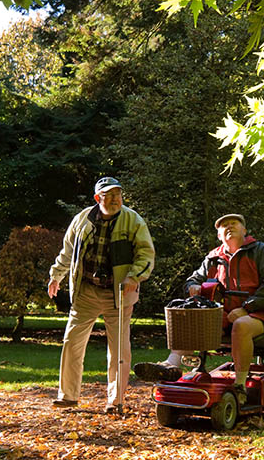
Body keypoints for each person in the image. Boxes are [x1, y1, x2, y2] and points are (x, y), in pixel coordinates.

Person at [134, 214, 264, 404]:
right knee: (190, 314)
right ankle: (171, 365)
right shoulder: (214, 257)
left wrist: (247, 308)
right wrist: (192, 286)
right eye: (224, 226)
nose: (229, 227)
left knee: (241, 324)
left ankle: (239, 387)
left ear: (244, 230)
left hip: (261, 314)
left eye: (234, 224)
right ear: (219, 235)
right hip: (222, 315)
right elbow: (194, 279)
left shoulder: (261, 251)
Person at [47, 176, 155, 413]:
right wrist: (56, 276)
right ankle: (67, 396)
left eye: (118, 194)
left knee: (118, 349)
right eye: (109, 195)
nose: (116, 199)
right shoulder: (82, 219)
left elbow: (146, 254)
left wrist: (133, 276)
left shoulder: (133, 220)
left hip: (118, 293)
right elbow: (67, 252)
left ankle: (115, 401)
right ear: (98, 198)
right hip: (86, 290)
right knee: (72, 342)